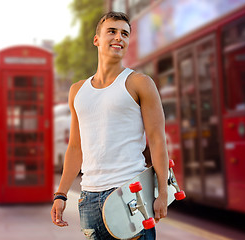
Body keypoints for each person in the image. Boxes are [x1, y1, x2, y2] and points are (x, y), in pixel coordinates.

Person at [51, 11, 169, 240]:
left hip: (129, 195)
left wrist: (162, 192)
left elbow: (157, 140)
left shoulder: (140, 83)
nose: (119, 37)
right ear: (96, 39)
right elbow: (75, 147)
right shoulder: (77, 90)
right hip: (88, 200)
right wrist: (61, 194)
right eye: (112, 31)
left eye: (125, 34)